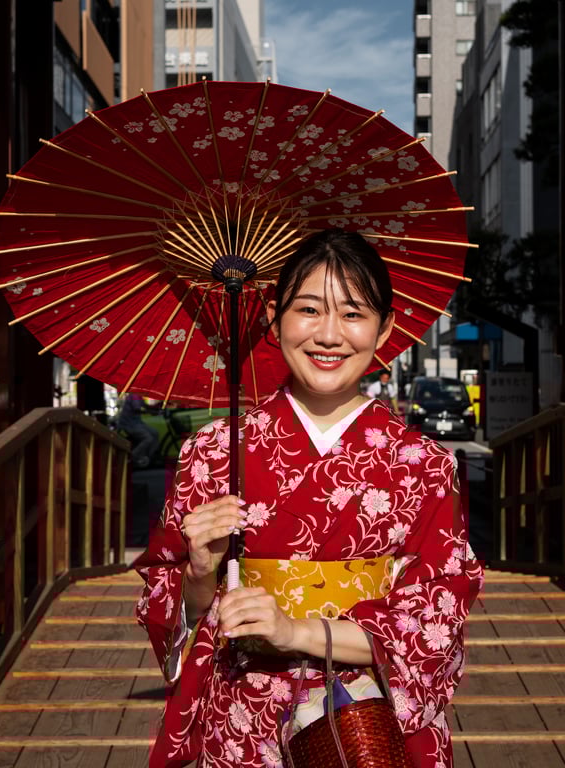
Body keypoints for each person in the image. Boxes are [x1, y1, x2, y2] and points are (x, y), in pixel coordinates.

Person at [134, 229, 483, 768]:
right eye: (308, 309)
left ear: (385, 328)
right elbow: (168, 610)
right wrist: (200, 575)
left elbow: (432, 626)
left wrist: (295, 631)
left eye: (353, 313)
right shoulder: (211, 452)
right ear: (274, 318)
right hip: (241, 715)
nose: (328, 335)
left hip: (363, 717)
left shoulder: (425, 465)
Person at [117, 392, 160, 469]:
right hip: (130, 424)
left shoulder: (139, 395)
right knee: (148, 438)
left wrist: (155, 410)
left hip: (137, 423)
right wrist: (150, 411)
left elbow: (144, 406)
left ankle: (147, 456)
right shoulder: (134, 395)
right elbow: (137, 408)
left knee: (155, 433)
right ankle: (133, 455)